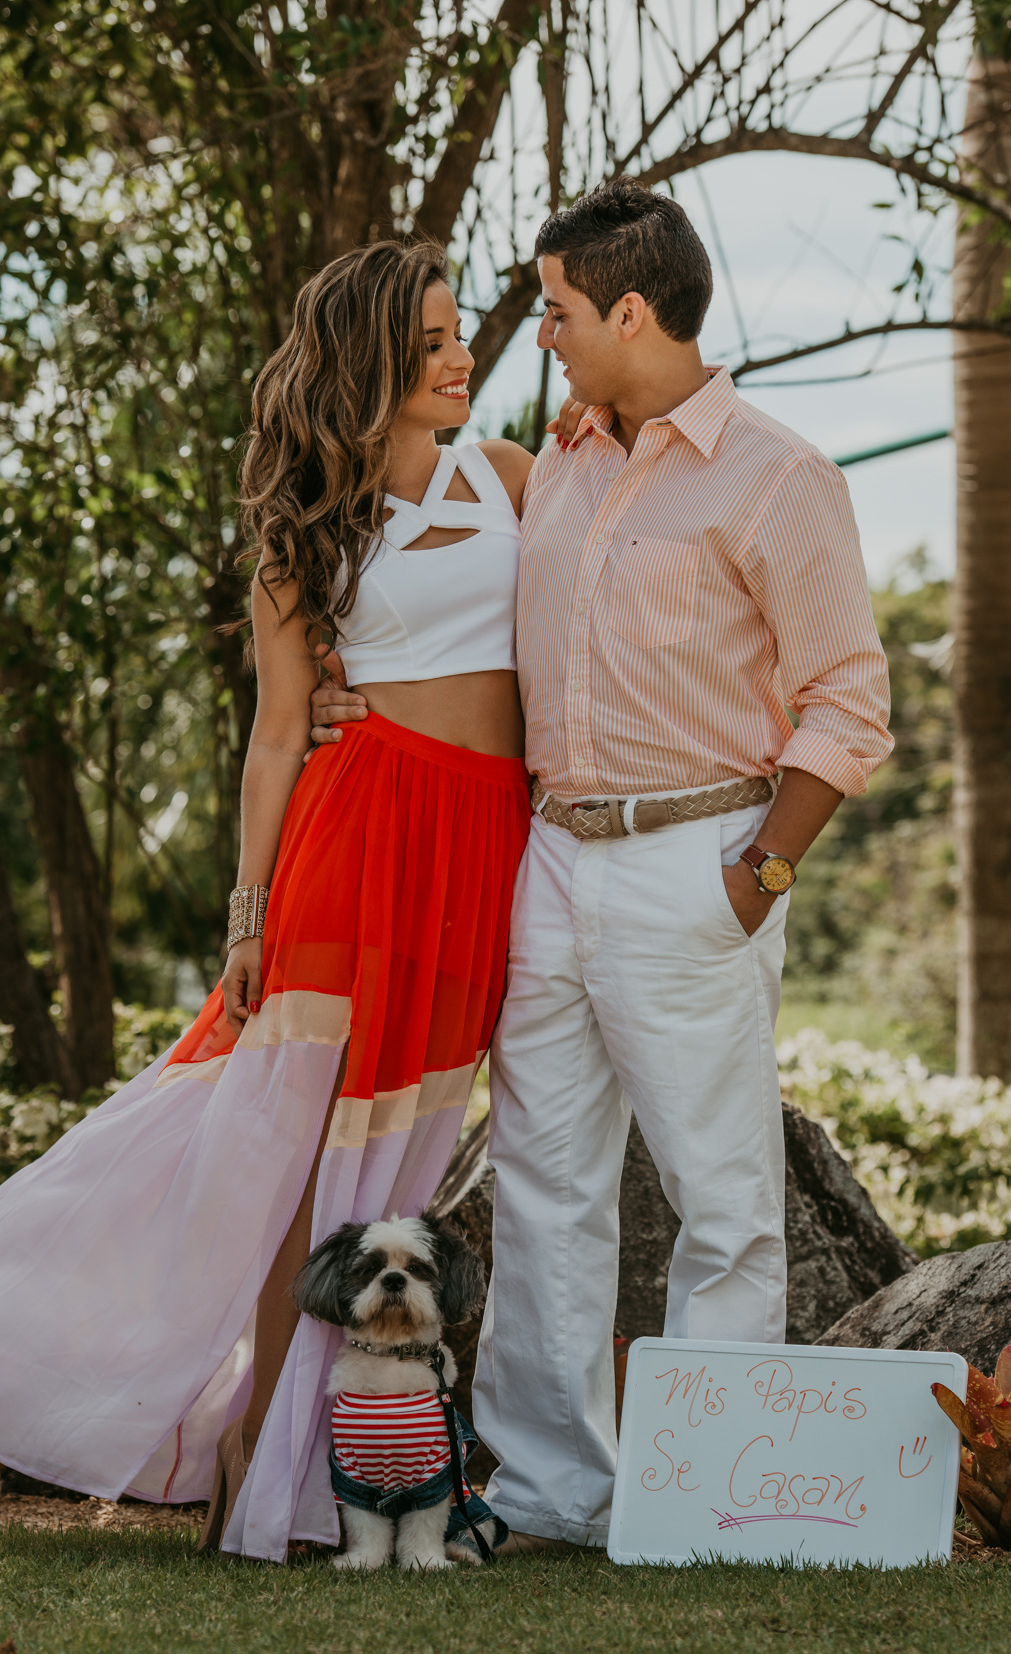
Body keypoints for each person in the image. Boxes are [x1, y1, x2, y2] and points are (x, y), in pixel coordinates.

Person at [0, 240, 534, 1563]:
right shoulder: (307, 532)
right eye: (427, 340)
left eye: (458, 331)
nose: (457, 354)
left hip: (480, 845)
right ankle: (256, 1450)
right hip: (350, 839)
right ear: (370, 360)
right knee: (287, 1156)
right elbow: (274, 732)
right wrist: (246, 911)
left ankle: (326, 1459)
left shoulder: (520, 477)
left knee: (401, 1155)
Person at [308, 179, 894, 1551]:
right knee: (544, 1182)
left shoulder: (778, 476)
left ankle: (705, 1509)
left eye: (560, 311)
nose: (543, 335)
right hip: (548, 862)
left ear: (629, 309)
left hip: (697, 857)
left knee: (721, 1198)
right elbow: (434, 609)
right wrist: (346, 696)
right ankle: (550, 1496)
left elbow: (847, 702)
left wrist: (757, 873)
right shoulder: (556, 461)